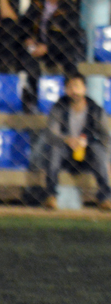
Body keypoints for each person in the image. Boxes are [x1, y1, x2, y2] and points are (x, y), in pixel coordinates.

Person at [43, 72, 111, 211]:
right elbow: (51, 133)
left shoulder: (95, 110)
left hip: (87, 152)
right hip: (65, 151)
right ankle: (51, 196)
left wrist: (108, 158)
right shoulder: (59, 108)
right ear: (66, 90)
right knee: (54, 150)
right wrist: (67, 140)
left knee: (99, 151)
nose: (74, 91)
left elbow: (105, 136)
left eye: (77, 87)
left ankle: (105, 198)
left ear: (85, 89)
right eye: (70, 87)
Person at [21, 0, 85, 74]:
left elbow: (70, 38)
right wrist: (28, 39)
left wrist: (48, 48)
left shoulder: (68, 9)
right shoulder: (37, 5)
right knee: (26, 59)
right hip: (37, 48)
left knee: (68, 61)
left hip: (60, 52)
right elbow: (24, 24)